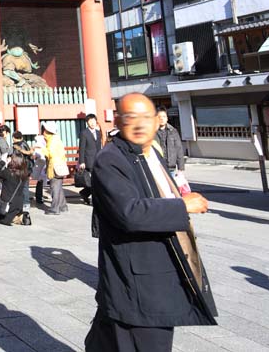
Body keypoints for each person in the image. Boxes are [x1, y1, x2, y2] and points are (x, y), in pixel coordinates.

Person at [86, 93, 216, 352]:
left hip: (150, 275)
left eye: (146, 117)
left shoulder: (150, 152)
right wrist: (182, 206)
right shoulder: (111, 159)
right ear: (117, 120)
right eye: (130, 117)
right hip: (137, 284)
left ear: (158, 121)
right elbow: (129, 212)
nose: (139, 124)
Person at [0, 153, 30, 226]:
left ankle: (14, 218)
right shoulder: (25, 173)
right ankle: (19, 216)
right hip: (19, 203)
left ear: (13, 161)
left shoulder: (7, 172)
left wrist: (3, 162)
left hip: (8, 203)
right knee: (10, 214)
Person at [43, 122, 68, 215]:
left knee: (55, 188)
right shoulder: (56, 139)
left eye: (45, 131)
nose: (43, 133)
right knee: (59, 187)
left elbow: (50, 154)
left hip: (55, 167)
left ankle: (55, 209)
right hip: (60, 166)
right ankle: (63, 206)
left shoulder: (52, 141)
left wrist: (41, 149)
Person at [78, 114, 102, 206]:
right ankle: (94, 198)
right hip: (89, 160)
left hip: (97, 159)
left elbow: (99, 147)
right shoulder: (84, 133)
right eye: (90, 121)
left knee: (95, 180)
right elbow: (82, 148)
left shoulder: (98, 132)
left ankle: (85, 193)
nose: (92, 123)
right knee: (95, 180)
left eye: (93, 121)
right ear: (87, 122)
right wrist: (82, 161)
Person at [154, 107, 185, 175]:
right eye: (159, 117)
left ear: (167, 118)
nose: (162, 118)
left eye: (164, 116)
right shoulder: (152, 132)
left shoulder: (173, 131)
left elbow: (179, 149)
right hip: (157, 167)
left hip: (171, 167)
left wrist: (181, 168)